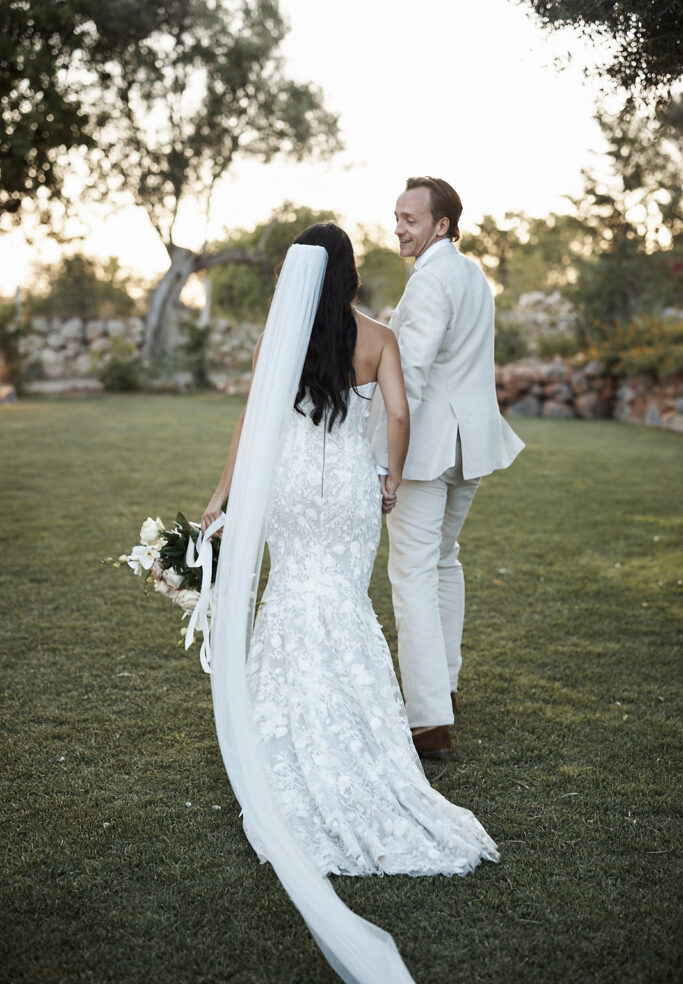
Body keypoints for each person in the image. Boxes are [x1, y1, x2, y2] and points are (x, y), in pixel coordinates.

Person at [199, 224, 498, 982]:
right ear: (351, 273)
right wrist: (390, 477)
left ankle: (285, 730)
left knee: (292, 595)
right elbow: (397, 415)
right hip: (345, 487)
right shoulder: (376, 336)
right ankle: (362, 732)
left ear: (295, 278)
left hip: (291, 483)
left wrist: (221, 495)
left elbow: (248, 421)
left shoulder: (283, 336)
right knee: (343, 603)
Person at [368, 177, 525, 760]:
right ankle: (447, 687)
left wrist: (388, 458)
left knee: (411, 575)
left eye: (410, 219)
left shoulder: (432, 281)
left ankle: (428, 720)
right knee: (442, 561)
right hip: (470, 445)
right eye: (396, 216)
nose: (398, 228)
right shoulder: (471, 274)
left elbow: (407, 374)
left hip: (429, 450)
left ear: (442, 225)